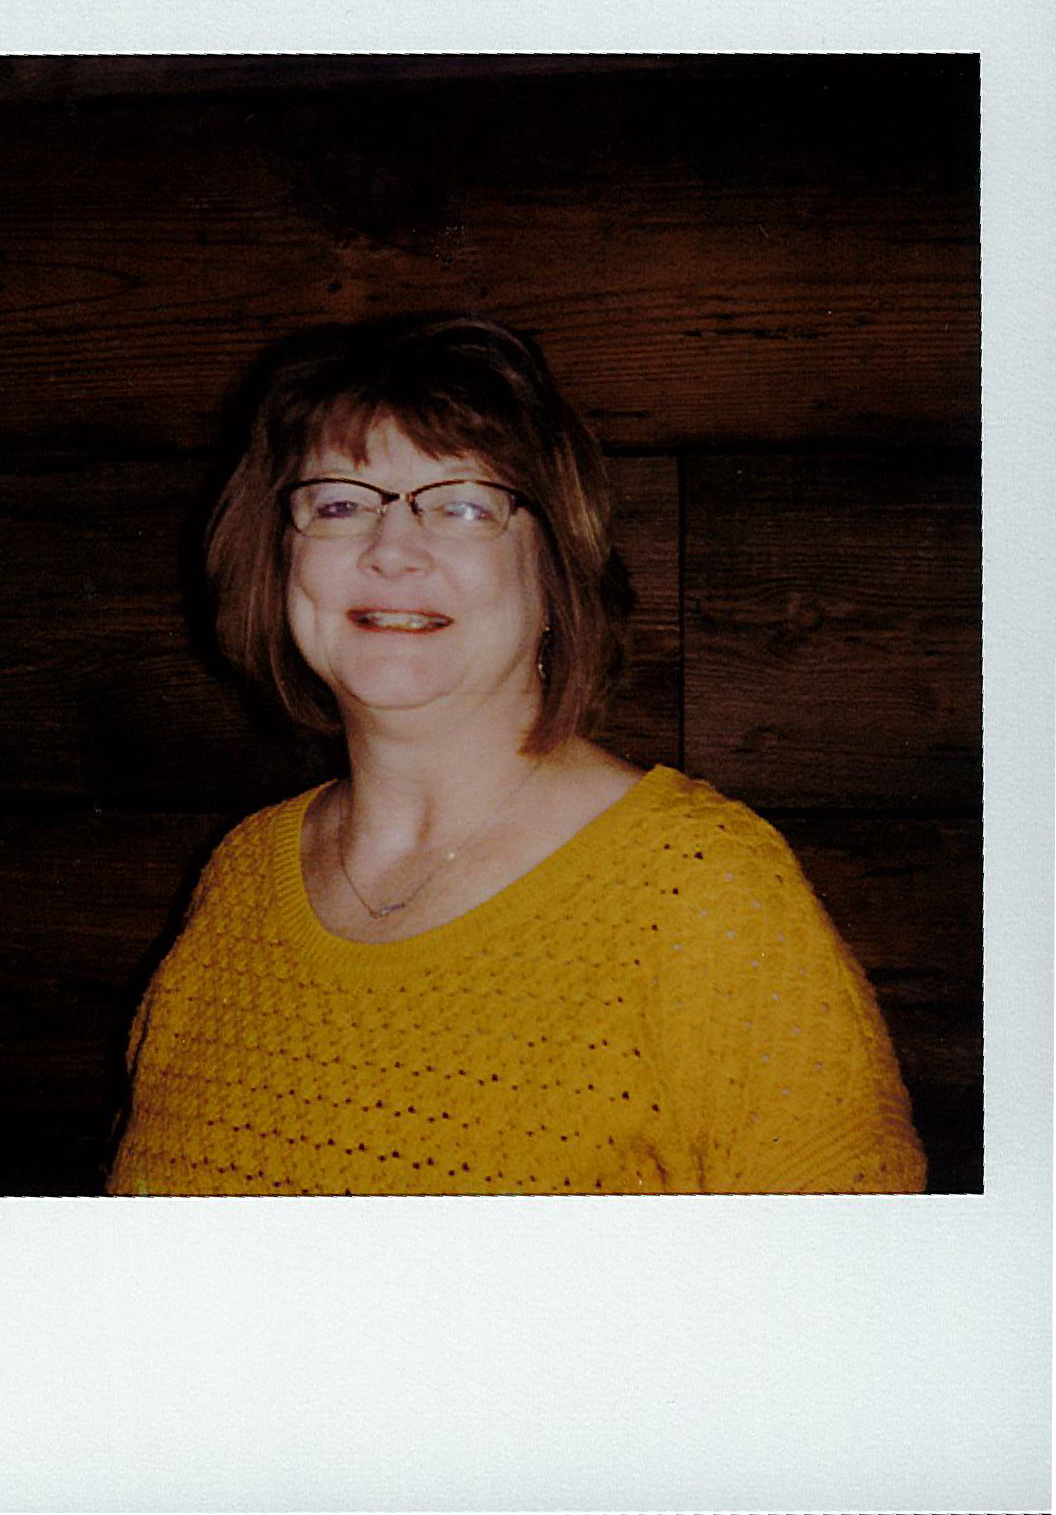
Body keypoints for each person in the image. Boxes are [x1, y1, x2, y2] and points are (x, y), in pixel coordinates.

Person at [106, 315, 926, 1196]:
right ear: (279, 557)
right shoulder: (239, 878)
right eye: (340, 504)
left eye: (462, 505)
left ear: (554, 567)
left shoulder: (701, 892)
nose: (391, 551)